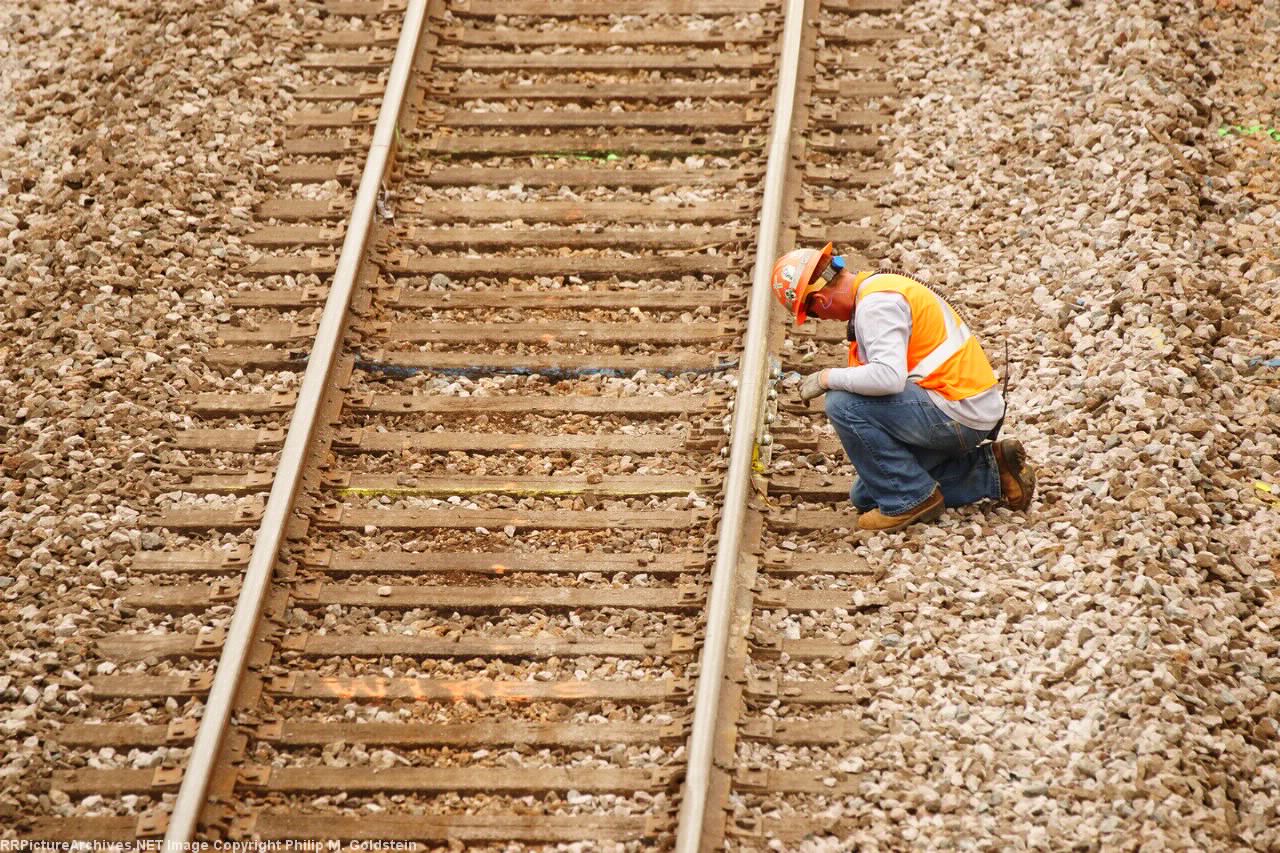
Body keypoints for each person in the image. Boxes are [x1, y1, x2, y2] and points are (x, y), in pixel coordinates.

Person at [770, 243, 1036, 532]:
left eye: (814, 315)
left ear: (821, 301)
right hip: (962, 406)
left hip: (956, 412)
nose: (823, 319)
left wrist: (826, 378)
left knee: (842, 403)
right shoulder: (879, 290)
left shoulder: (876, 305)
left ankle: (909, 500)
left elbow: (888, 378)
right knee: (867, 495)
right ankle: (994, 471)